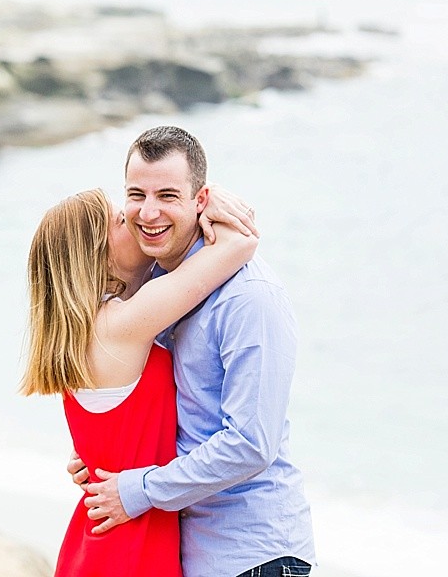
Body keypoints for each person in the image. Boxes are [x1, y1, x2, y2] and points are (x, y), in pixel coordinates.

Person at [72, 126, 316, 577]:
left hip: (253, 554)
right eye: (136, 195)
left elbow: (249, 444)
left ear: (199, 201)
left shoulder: (248, 297)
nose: (148, 212)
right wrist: (107, 454)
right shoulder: (154, 291)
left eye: (168, 195)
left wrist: (136, 489)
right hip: (186, 551)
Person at [21, 186, 258, 577]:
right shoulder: (121, 325)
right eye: (119, 221)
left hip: (105, 539)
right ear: (95, 253)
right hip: (128, 547)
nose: (138, 219)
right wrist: (206, 201)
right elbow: (238, 243)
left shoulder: (86, 331)